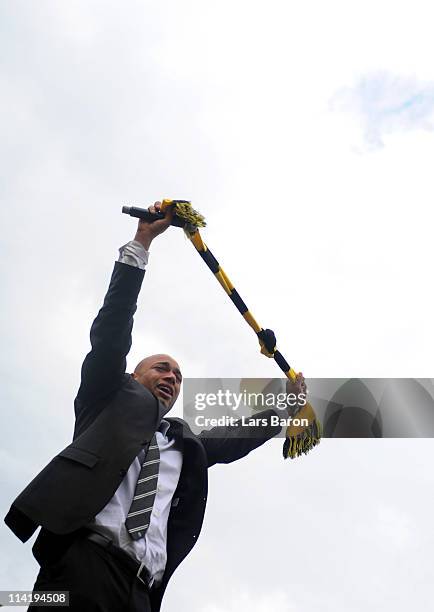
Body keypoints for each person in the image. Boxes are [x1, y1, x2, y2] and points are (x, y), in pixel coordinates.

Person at [4, 202, 306, 612]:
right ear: (131, 376)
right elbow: (111, 332)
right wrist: (141, 243)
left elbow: (237, 437)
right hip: (79, 569)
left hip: (141, 595)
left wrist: (288, 407)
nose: (171, 378)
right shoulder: (106, 397)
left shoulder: (185, 443)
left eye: (179, 376)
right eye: (161, 369)